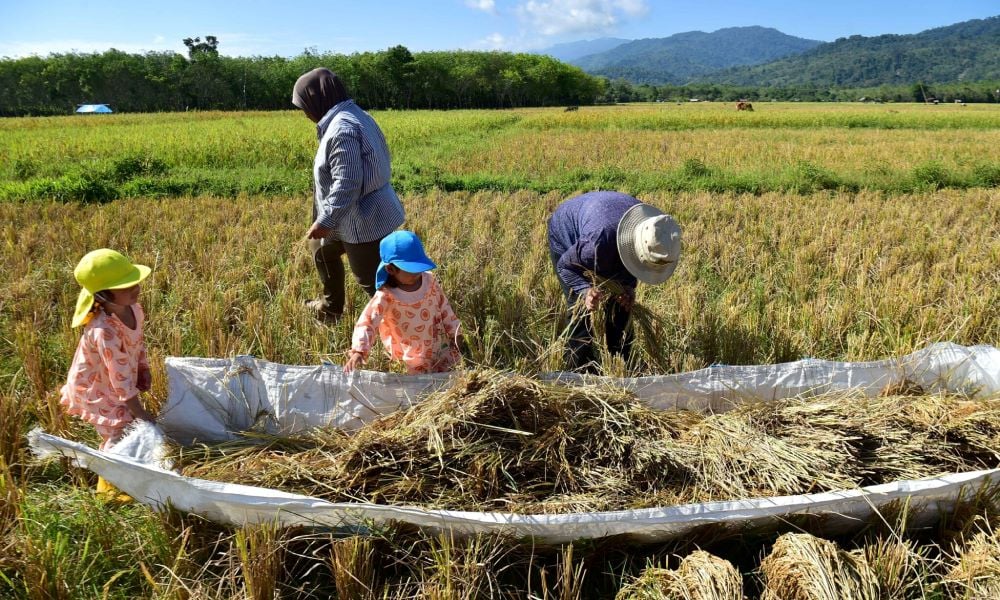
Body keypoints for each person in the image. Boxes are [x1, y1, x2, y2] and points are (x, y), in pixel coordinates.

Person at [292, 67, 405, 323]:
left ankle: (403, 330)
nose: (304, 113)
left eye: (304, 105)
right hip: (348, 216)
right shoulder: (353, 114)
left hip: (362, 219)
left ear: (317, 100)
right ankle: (331, 308)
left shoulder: (342, 128)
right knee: (321, 251)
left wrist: (326, 219)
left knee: (372, 282)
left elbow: (348, 181)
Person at [547, 191, 681, 372]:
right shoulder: (597, 243)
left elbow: (635, 263)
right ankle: (578, 368)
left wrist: (628, 288)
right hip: (569, 231)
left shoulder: (656, 232)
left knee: (621, 306)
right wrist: (586, 291)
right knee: (582, 311)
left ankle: (620, 362)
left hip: (607, 223)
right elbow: (566, 266)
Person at [60, 249, 157, 498]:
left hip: (116, 380)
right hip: (97, 387)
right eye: (125, 286)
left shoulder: (134, 309)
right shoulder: (104, 331)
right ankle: (109, 490)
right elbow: (120, 380)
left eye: (134, 281)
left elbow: (137, 343)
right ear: (103, 295)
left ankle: (128, 475)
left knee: (130, 423)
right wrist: (140, 412)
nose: (135, 288)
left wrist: (143, 367)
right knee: (118, 431)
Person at [344, 231, 461, 375]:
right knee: (419, 389)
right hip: (411, 357)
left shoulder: (429, 281)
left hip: (438, 347)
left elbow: (444, 307)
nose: (418, 274)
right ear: (390, 269)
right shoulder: (386, 295)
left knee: (446, 379)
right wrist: (359, 351)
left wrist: (456, 332)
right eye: (411, 270)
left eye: (420, 268)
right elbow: (368, 322)